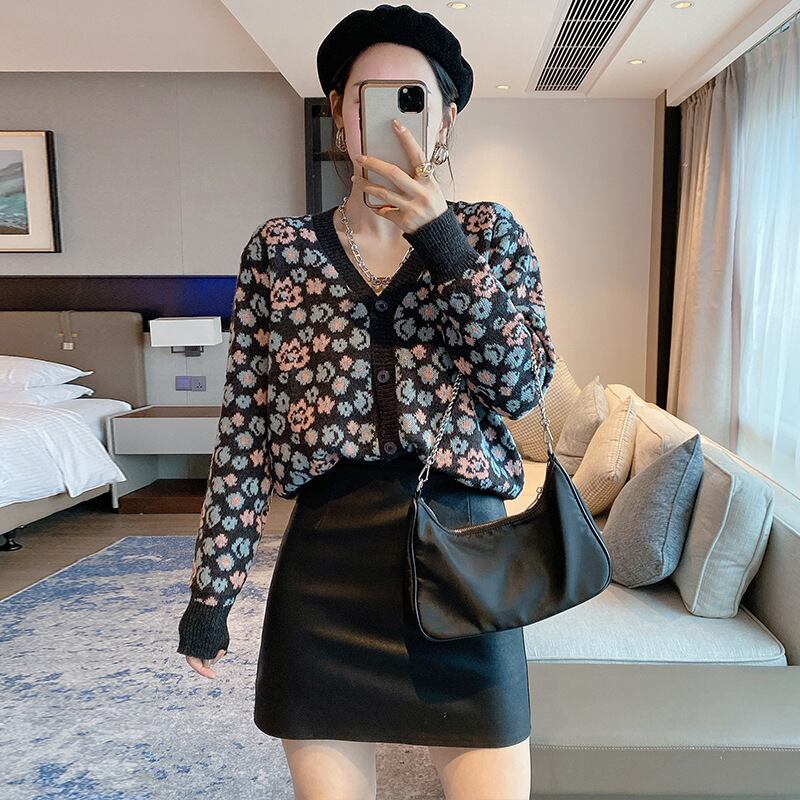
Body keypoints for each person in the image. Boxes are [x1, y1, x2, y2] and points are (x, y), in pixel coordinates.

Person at [177, 4, 556, 799]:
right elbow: (245, 432)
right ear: (340, 114)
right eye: (367, 97)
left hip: (465, 571)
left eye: (413, 99)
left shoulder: (491, 236)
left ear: (446, 119)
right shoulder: (280, 251)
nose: (388, 117)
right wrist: (213, 595)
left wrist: (442, 242)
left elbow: (520, 389)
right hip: (326, 575)